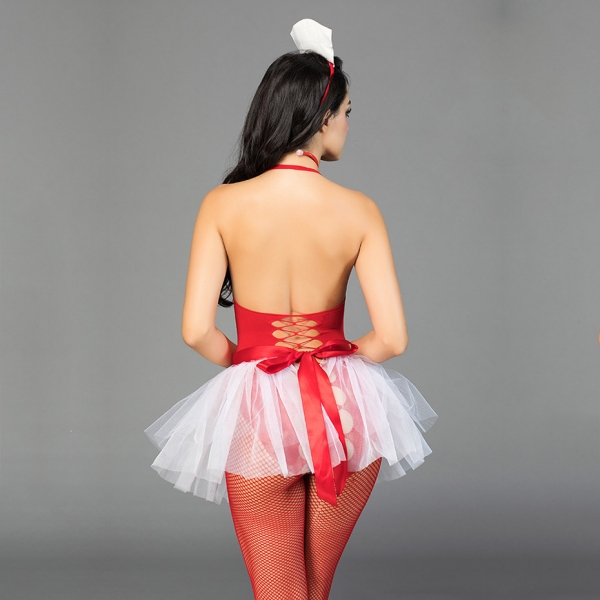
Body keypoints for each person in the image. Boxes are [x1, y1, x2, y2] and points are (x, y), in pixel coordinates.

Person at [144, 19, 437, 600]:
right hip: (344, 412)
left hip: (258, 407)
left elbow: (196, 330)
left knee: (279, 592)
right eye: (347, 112)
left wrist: (252, 362)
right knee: (314, 590)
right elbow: (393, 339)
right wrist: (336, 356)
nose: (348, 124)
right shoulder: (360, 210)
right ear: (321, 117)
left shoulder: (222, 204)